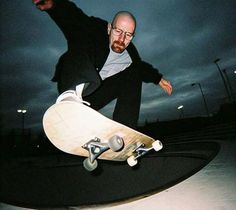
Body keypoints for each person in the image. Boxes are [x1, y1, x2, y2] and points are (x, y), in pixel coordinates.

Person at [33, 0, 173, 128]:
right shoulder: (94, 29)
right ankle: (71, 99)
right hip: (74, 84)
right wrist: (55, 6)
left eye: (128, 35)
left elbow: (142, 67)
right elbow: (74, 17)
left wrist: (158, 78)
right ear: (109, 28)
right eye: (118, 31)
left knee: (133, 74)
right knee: (81, 38)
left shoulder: (130, 55)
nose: (122, 39)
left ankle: (125, 128)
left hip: (93, 97)